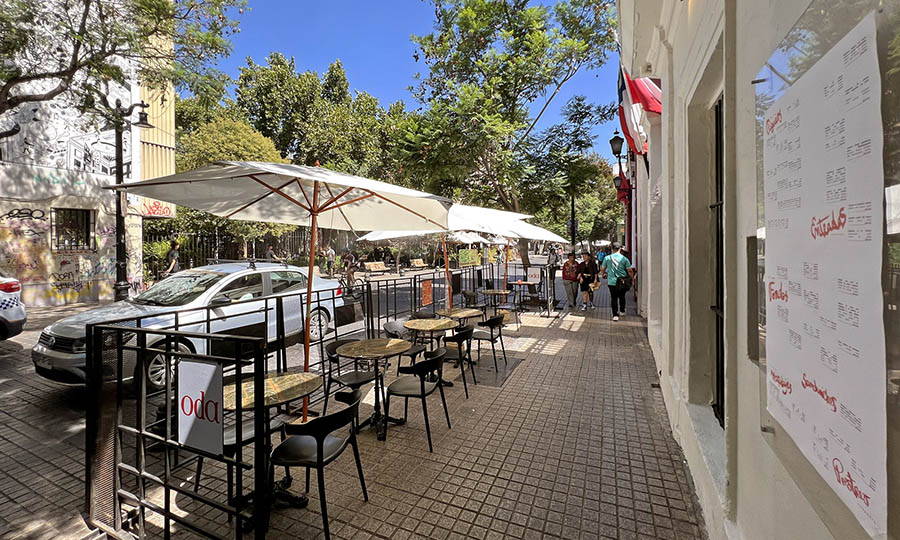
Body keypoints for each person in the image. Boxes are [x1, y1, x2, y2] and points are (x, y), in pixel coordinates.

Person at [601, 243, 634, 321]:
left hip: (611, 282)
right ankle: (622, 311)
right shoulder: (624, 259)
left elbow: (602, 268)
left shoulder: (607, 258)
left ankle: (615, 315)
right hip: (622, 281)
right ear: (620, 249)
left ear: (612, 249)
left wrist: (603, 274)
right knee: (622, 296)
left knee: (614, 298)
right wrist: (631, 279)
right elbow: (630, 270)